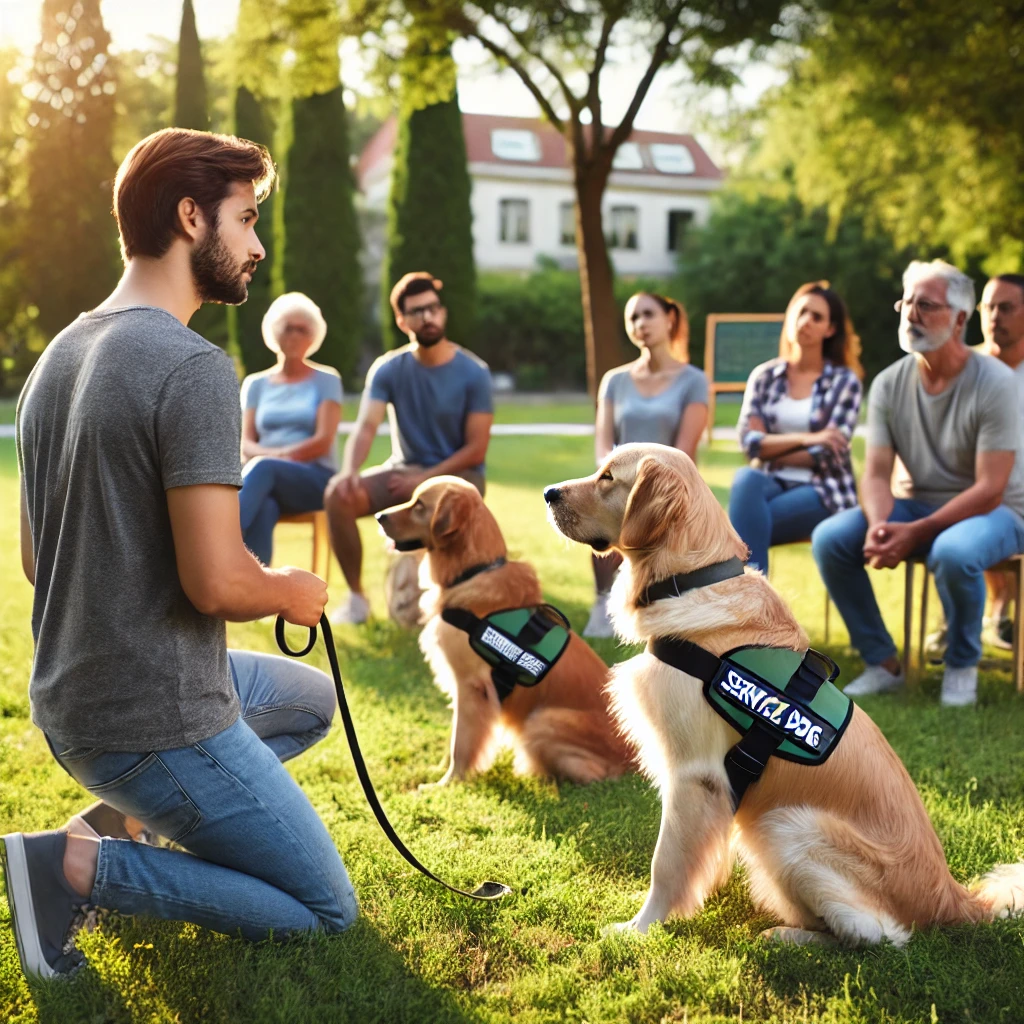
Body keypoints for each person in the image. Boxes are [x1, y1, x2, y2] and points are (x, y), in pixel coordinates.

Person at [4, 128, 357, 980]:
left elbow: (32, 559)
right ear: (190, 215)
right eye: (245, 219)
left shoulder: (59, 355)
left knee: (307, 702)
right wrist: (290, 592)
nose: (258, 243)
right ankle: (74, 867)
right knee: (326, 912)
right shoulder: (192, 367)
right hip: (152, 721)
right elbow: (216, 582)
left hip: (71, 703)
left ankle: (116, 821)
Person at [812, 259, 1024, 706]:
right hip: (917, 503)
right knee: (832, 537)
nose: (911, 313)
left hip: (999, 510)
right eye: (907, 301)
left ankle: (962, 665)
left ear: (960, 320)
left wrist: (916, 532)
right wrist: (878, 525)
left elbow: (990, 487)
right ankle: (883, 662)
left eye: (926, 305)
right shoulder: (889, 383)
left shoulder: (998, 383)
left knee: (954, 550)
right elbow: (874, 473)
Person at [323, 271, 493, 625]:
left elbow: (476, 449)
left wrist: (425, 478)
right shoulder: (388, 368)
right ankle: (356, 599)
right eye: (417, 311)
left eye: (432, 308)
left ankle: (450, 597)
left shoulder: (474, 372)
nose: (427, 317)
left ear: (442, 313)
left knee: (441, 500)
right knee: (338, 495)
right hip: (402, 473)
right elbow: (367, 426)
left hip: (460, 477)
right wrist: (350, 471)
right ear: (402, 320)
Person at [584, 291, 708, 637]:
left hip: (670, 486)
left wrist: (645, 487)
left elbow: (685, 451)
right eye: (633, 317)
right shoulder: (615, 380)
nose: (640, 324)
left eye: (648, 314)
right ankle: (603, 601)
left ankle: (662, 602)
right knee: (600, 504)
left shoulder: (694, 380)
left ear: (670, 319)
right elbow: (603, 444)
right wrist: (614, 481)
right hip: (617, 484)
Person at [729, 282, 863, 575]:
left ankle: (749, 608)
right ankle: (755, 609)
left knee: (743, 527)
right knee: (745, 478)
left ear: (830, 329)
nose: (806, 322)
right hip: (769, 484)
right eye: (801, 312)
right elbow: (749, 443)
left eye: (817, 317)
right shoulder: (765, 376)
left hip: (822, 488)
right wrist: (809, 438)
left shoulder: (845, 382)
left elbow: (824, 456)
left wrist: (770, 446)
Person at [238, 292, 342, 565]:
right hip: (266, 479)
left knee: (262, 469)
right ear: (275, 333)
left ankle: (221, 541)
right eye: (288, 328)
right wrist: (267, 460)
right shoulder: (255, 384)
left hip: (315, 478)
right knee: (265, 506)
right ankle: (251, 598)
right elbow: (245, 443)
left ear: (313, 336)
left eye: (302, 329)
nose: (294, 335)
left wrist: (274, 458)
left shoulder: (327, 380)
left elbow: (322, 441)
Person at [980, 274, 1024, 647]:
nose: (995, 316)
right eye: (988, 307)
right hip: (975, 503)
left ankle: (999, 614)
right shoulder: (966, 371)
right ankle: (991, 614)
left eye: (1005, 308)